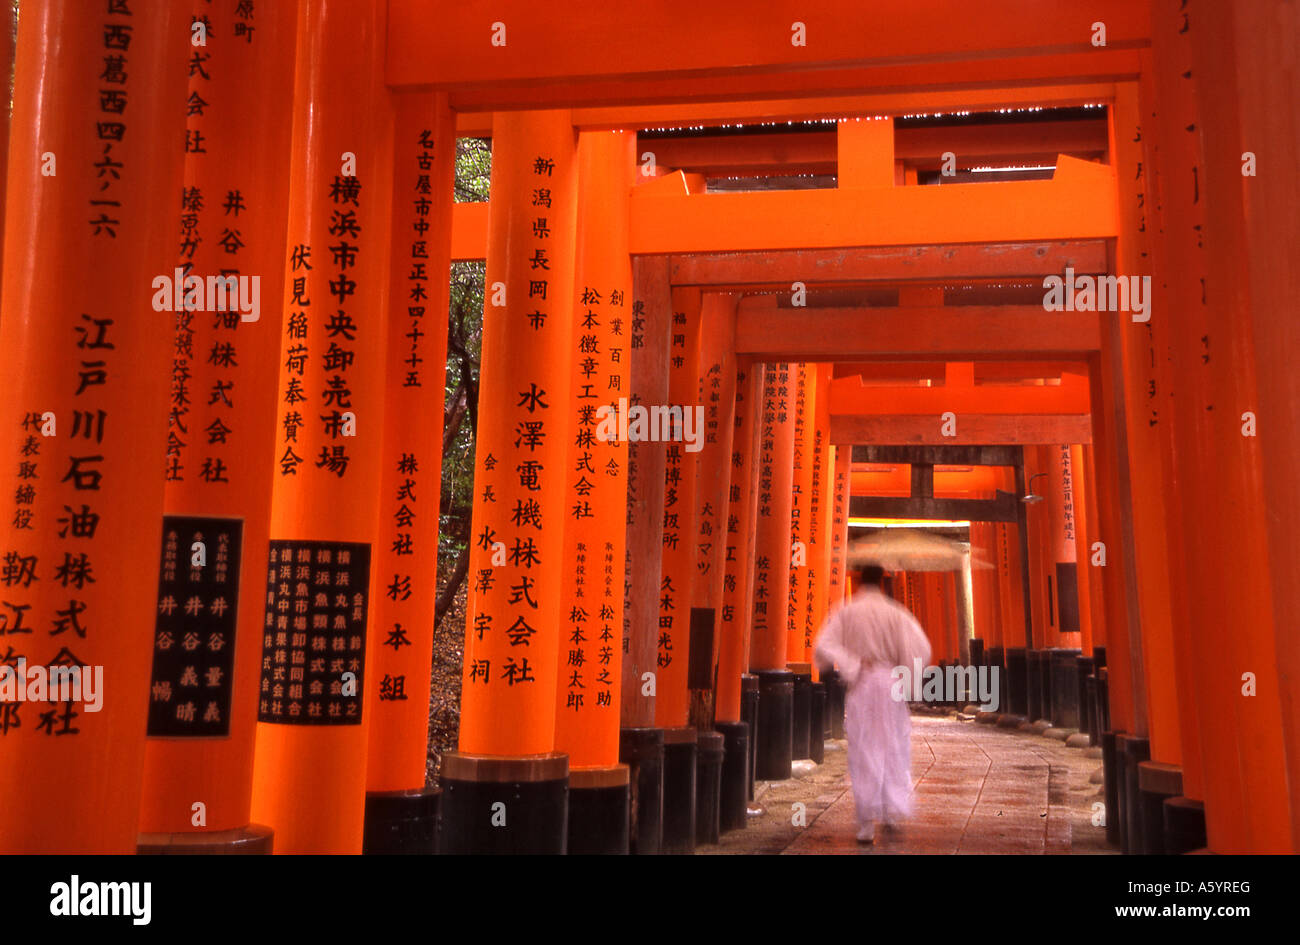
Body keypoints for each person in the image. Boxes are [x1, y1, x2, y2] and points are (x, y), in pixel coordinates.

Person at [813, 564, 932, 844]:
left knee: (864, 748)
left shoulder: (846, 610)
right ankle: (892, 813)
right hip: (891, 682)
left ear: (858, 580)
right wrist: (906, 674)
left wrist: (852, 664)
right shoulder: (896, 613)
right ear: (882, 582)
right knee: (894, 746)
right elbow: (921, 647)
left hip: (863, 682)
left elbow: (823, 645)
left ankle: (865, 824)